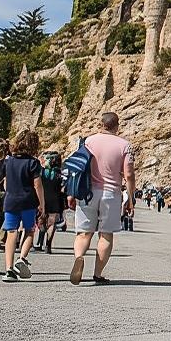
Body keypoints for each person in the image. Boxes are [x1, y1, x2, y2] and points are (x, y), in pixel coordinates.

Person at [70, 111, 136, 285]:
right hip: (111, 194)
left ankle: (79, 257)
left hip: (87, 192)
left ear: (101, 124)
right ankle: (98, 274)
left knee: (84, 233)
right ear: (117, 126)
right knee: (106, 235)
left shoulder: (88, 141)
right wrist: (130, 199)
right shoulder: (125, 145)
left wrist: (71, 193)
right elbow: (129, 175)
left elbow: (77, 167)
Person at [0, 129, 45, 282]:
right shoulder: (33, 163)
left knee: (11, 233)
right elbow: (37, 185)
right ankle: (22, 257)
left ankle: (9, 269)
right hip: (28, 201)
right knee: (30, 231)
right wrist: (41, 205)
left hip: (11, 201)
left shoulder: (8, 161)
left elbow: (5, 182)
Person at [34, 151, 64, 254]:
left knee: (41, 219)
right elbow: (63, 188)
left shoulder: (41, 172)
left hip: (43, 198)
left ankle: (39, 242)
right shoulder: (60, 173)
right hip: (55, 198)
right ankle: (48, 245)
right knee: (52, 223)